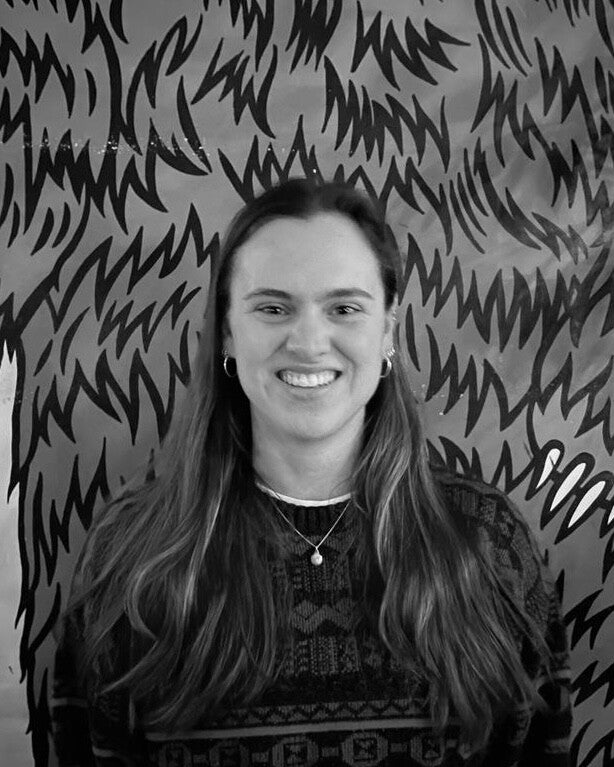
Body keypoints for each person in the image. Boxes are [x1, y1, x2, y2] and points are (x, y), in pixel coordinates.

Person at [52, 178, 571, 766]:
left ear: (388, 329)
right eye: (273, 308)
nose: (308, 342)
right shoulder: (131, 554)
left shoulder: (487, 544)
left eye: (344, 308)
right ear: (227, 331)